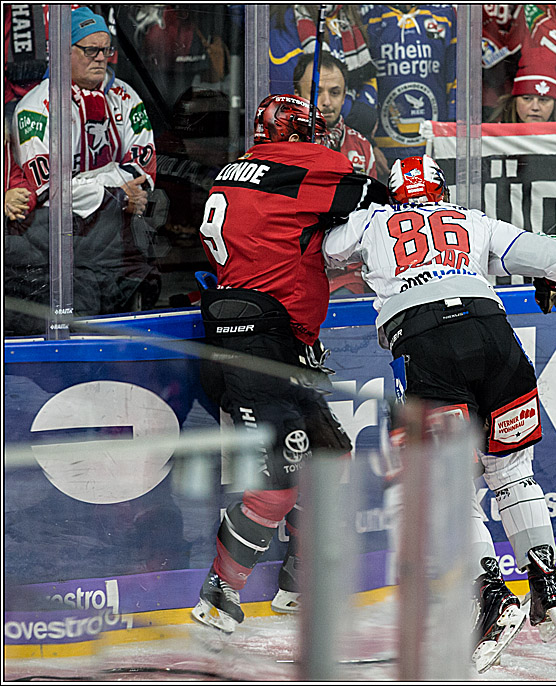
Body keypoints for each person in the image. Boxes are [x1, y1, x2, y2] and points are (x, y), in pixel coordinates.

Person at [322, 155, 556, 671]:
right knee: (512, 472)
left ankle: (491, 596)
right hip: (494, 336)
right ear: (440, 190)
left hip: (426, 345)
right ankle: (545, 584)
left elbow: (327, 248)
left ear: (395, 193)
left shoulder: (375, 218)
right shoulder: (471, 218)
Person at [190, 93, 389, 633]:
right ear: (303, 131)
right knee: (278, 481)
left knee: (329, 457)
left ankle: (299, 585)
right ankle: (219, 593)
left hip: (265, 341)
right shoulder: (305, 162)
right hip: (260, 346)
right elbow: (371, 192)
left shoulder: (231, 172)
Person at [7, 6, 159, 335]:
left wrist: (100, 186)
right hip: (58, 241)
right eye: (91, 50)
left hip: (116, 234)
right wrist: (113, 186)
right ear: (64, 52)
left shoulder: (127, 97)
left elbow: (143, 169)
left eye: (106, 49)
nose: (101, 57)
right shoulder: (34, 108)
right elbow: (49, 191)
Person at [292, 50, 378, 297]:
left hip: (346, 278)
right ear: (297, 95)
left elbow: (372, 220)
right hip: (295, 274)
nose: (326, 102)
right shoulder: (285, 146)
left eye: (335, 92)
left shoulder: (362, 146)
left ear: (344, 96)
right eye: (315, 92)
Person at [359, 5, 456, 166]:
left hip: (435, 144)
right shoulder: (367, 15)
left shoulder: (444, 13)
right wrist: (368, 142)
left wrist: (452, 134)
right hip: (383, 149)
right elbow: (362, 80)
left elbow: (456, 78)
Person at [269, 4, 378, 139]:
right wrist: (356, 114)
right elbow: (294, 87)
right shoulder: (285, 21)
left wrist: (364, 116)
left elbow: (368, 76)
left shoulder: (346, 17)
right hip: (305, 135)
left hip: (348, 134)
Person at [487, 57, 556, 123]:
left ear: (554, 104)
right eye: (527, 98)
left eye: (543, 100)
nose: (535, 108)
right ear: (515, 100)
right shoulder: (494, 135)